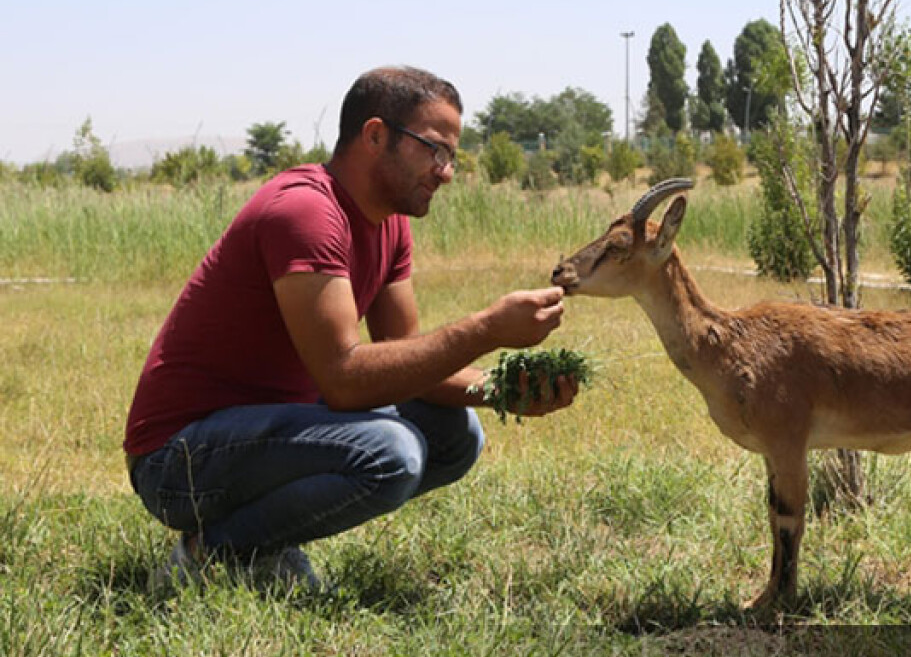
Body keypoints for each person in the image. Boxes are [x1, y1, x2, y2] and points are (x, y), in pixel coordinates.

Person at [124, 65, 577, 590]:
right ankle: (218, 554)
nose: (445, 171)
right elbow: (343, 381)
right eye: (434, 150)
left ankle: (259, 544)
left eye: (451, 155)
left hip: (264, 433)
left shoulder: (389, 223)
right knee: (391, 453)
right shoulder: (305, 212)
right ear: (375, 135)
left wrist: (505, 390)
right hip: (178, 462)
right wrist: (487, 329)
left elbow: (407, 361)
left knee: (454, 435)